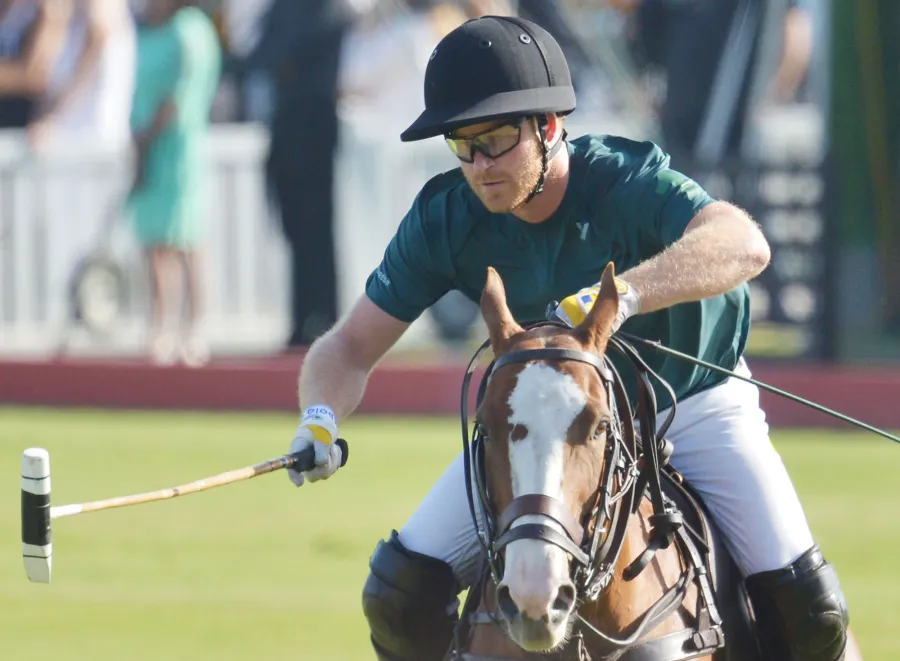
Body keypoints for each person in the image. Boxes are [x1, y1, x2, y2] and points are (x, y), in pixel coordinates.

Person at [285, 16, 848, 661]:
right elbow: (348, 346)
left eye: (495, 139)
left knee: (810, 610)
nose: (480, 166)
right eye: (461, 145)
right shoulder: (446, 217)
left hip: (690, 405)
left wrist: (621, 299)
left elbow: (743, 243)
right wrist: (321, 419)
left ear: (549, 127)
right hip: (544, 423)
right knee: (398, 592)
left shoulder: (627, 182)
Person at [129, 0, 221, 366]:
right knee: (155, 241)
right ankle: (161, 328)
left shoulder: (190, 29)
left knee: (187, 237)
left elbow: (181, 97)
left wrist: (148, 136)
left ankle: (195, 329)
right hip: (146, 145)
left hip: (177, 147)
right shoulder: (146, 31)